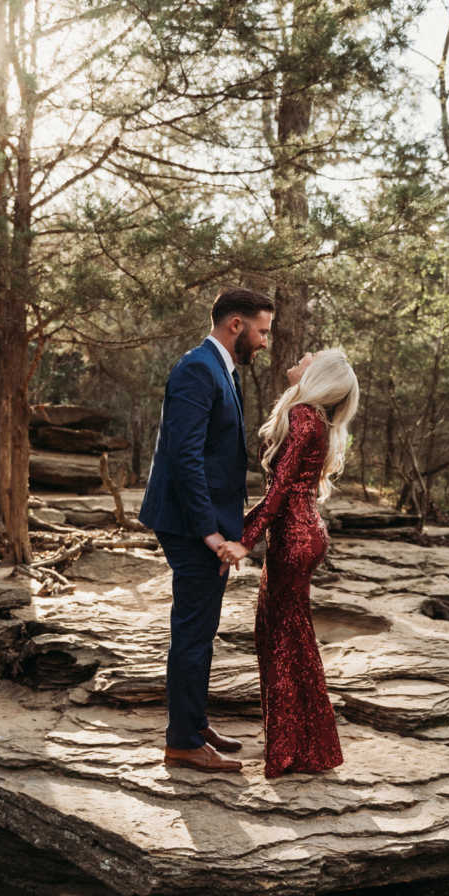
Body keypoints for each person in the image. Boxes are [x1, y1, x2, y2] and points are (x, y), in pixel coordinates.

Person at [138, 286, 274, 773]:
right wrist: (209, 533)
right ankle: (182, 742)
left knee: (202, 629)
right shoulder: (198, 368)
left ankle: (193, 724)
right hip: (192, 526)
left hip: (208, 522)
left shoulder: (221, 369)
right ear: (235, 325)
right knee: (193, 633)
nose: (264, 341)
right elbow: (185, 456)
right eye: (261, 331)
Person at [218, 348, 360, 778]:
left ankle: (290, 753)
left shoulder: (303, 417)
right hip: (304, 532)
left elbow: (278, 493)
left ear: (320, 376)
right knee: (287, 640)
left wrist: (243, 541)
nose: (304, 355)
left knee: (281, 643)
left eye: (313, 357)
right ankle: (308, 748)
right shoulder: (312, 417)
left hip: (295, 536)